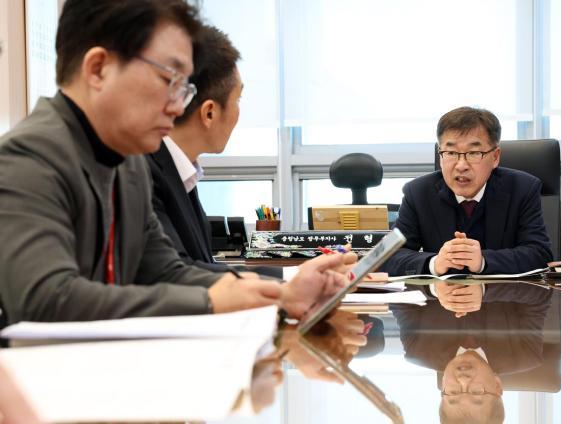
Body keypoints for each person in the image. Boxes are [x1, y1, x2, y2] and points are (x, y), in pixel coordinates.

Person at [0, 0, 355, 326]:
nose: (177, 106)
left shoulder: (129, 165)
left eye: (185, 87)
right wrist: (210, 301)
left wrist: (283, 294)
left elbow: (167, 272)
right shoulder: (28, 158)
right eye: (170, 80)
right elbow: (46, 300)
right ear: (98, 69)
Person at [382, 106, 553, 315]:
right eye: (451, 153)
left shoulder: (523, 189)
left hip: (503, 317)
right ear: (440, 155)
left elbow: (539, 254)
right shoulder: (417, 193)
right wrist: (434, 263)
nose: (461, 165)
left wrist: (482, 261)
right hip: (440, 319)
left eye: (473, 153)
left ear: (495, 157)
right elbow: (387, 256)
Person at [145, 25, 283, 279]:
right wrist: (287, 283)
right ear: (209, 112)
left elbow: (201, 266)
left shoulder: (180, 170)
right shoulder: (145, 173)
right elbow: (178, 274)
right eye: (237, 99)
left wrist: (289, 278)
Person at [393, 285, 555, 424]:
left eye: (453, 392)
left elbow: (396, 292)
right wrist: (484, 289)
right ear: (497, 386)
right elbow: (541, 291)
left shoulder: (418, 350)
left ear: (443, 387)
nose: (463, 379)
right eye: (477, 392)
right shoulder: (524, 352)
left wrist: (433, 289)